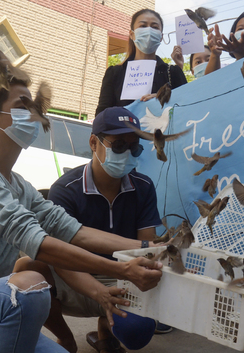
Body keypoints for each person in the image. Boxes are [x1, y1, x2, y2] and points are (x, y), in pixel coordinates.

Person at [0, 69, 163, 353]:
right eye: (22, 106)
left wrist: (151, 248)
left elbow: (72, 230)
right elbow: (39, 244)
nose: (34, 113)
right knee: (29, 286)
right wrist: (121, 268)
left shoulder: (19, 185)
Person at [14, 107, 162, 353]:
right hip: (75, 275)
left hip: (124, 278)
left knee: (138, 332)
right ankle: (67, 339)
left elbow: (146, 251)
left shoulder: (144, 187)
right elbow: (60, 258)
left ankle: (105, 327)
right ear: (94, 142)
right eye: (118, 145)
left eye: (134, 148)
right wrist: (99, 292)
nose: (126, 153)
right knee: (28, 267)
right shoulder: (65, 189)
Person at [95, 9, 187, 115]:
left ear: (161, 36)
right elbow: (102, 114)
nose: (149, 31)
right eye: (143, 26)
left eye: (155, 27)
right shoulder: (115, 73)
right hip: (124, 131)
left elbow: (187, 106)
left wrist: (164, 99)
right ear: (131, 34)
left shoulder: (173, 73)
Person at [205, 11, 244, 75]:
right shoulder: (230, 72)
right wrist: (215, 54)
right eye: (240, 29)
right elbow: (208, 82)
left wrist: (241, 54)